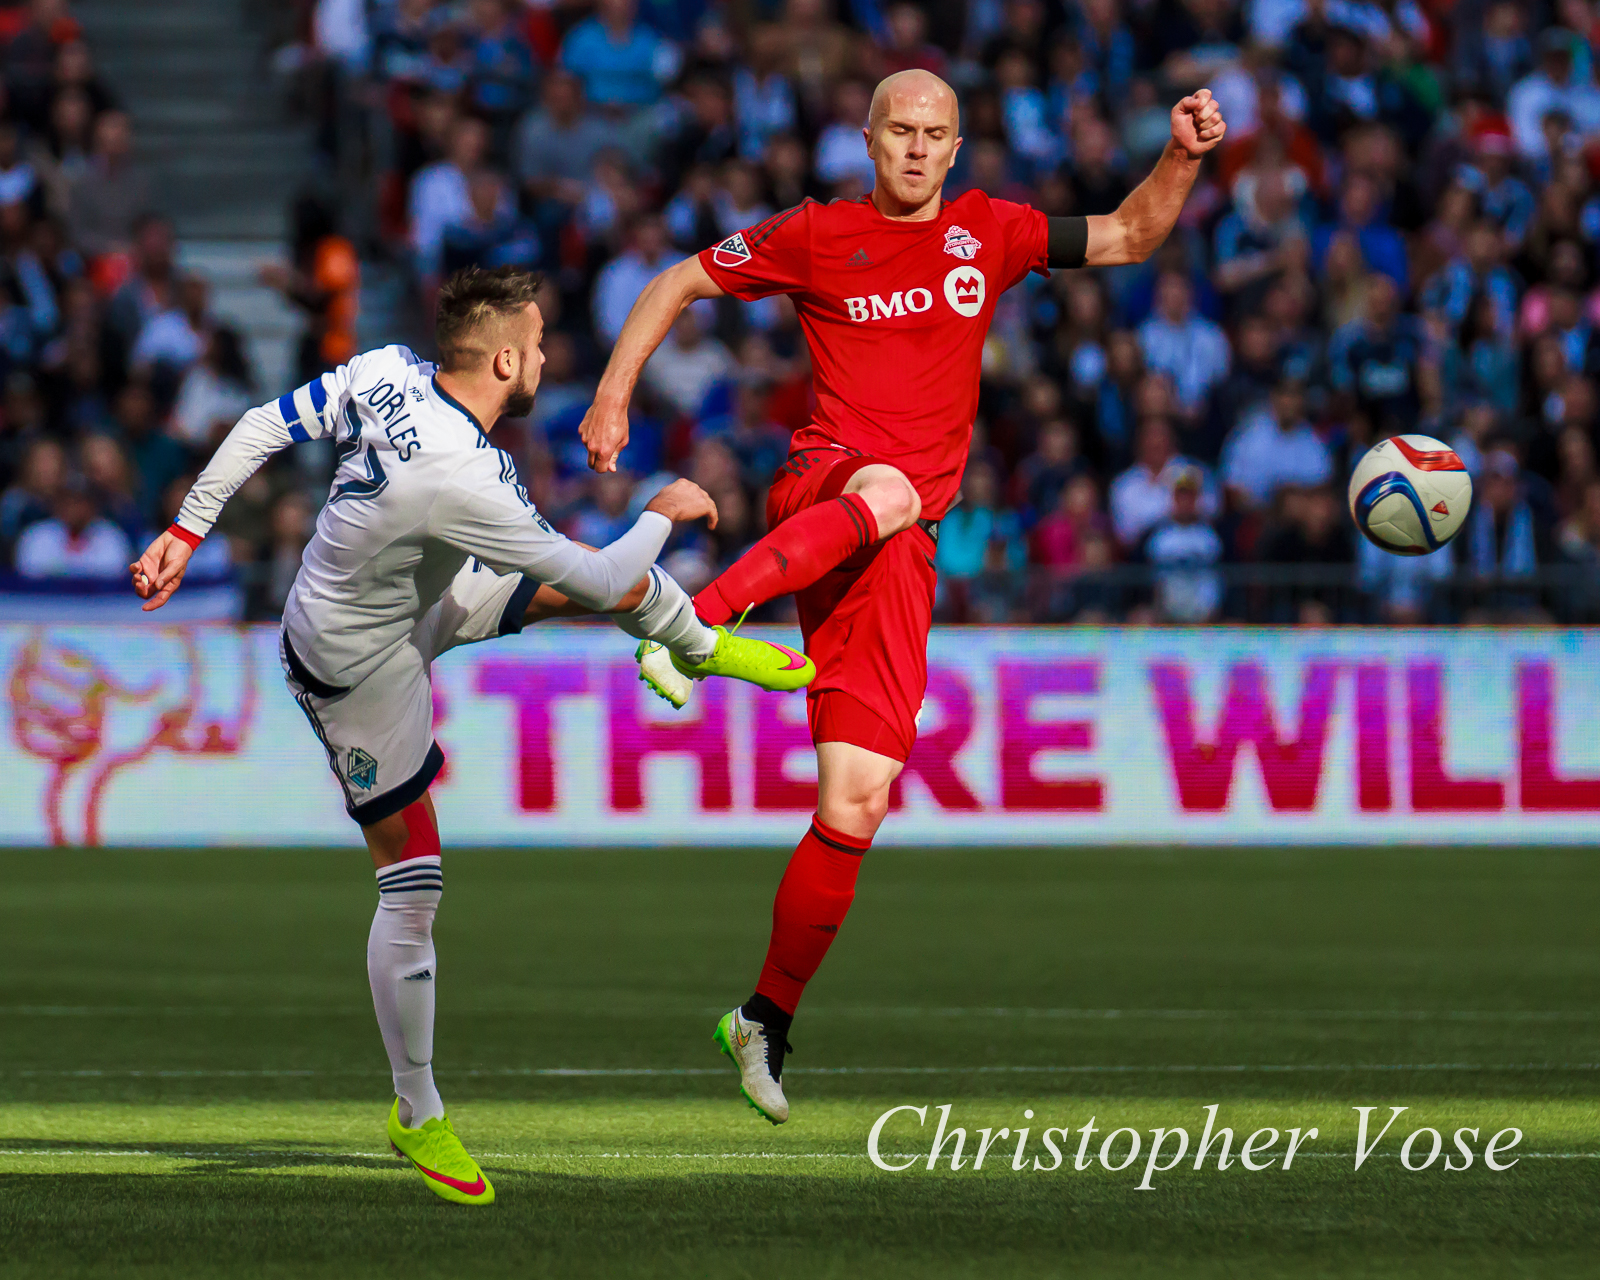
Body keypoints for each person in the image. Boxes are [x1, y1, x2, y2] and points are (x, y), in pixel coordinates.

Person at [577, 70, 1226, 1123]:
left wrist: (1183, 157)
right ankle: (698, 620)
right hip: (828, 483)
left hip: (898, 550)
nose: (917, 150)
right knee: (886, 482)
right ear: (866, 139)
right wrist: (612, 396)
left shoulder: (991, 231)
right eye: (900, 132)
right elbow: (674, 284)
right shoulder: (817, 231)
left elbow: (1127, 236)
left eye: (935, 135)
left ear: (958, 147)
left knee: (856, 800)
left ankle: (761, 1019)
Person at [129, 266, 815, 1205]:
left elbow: (262, 423)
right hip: (356, 669)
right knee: (413, 882)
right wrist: (662, 507)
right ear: (503, 357)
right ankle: (418, 1114)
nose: (543, 358)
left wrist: (186, 528)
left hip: (415, 587)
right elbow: (614, 577)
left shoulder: (387, 370)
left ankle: (698, 645)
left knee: (572, 590)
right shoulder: (466, 478)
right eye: (535, 346)